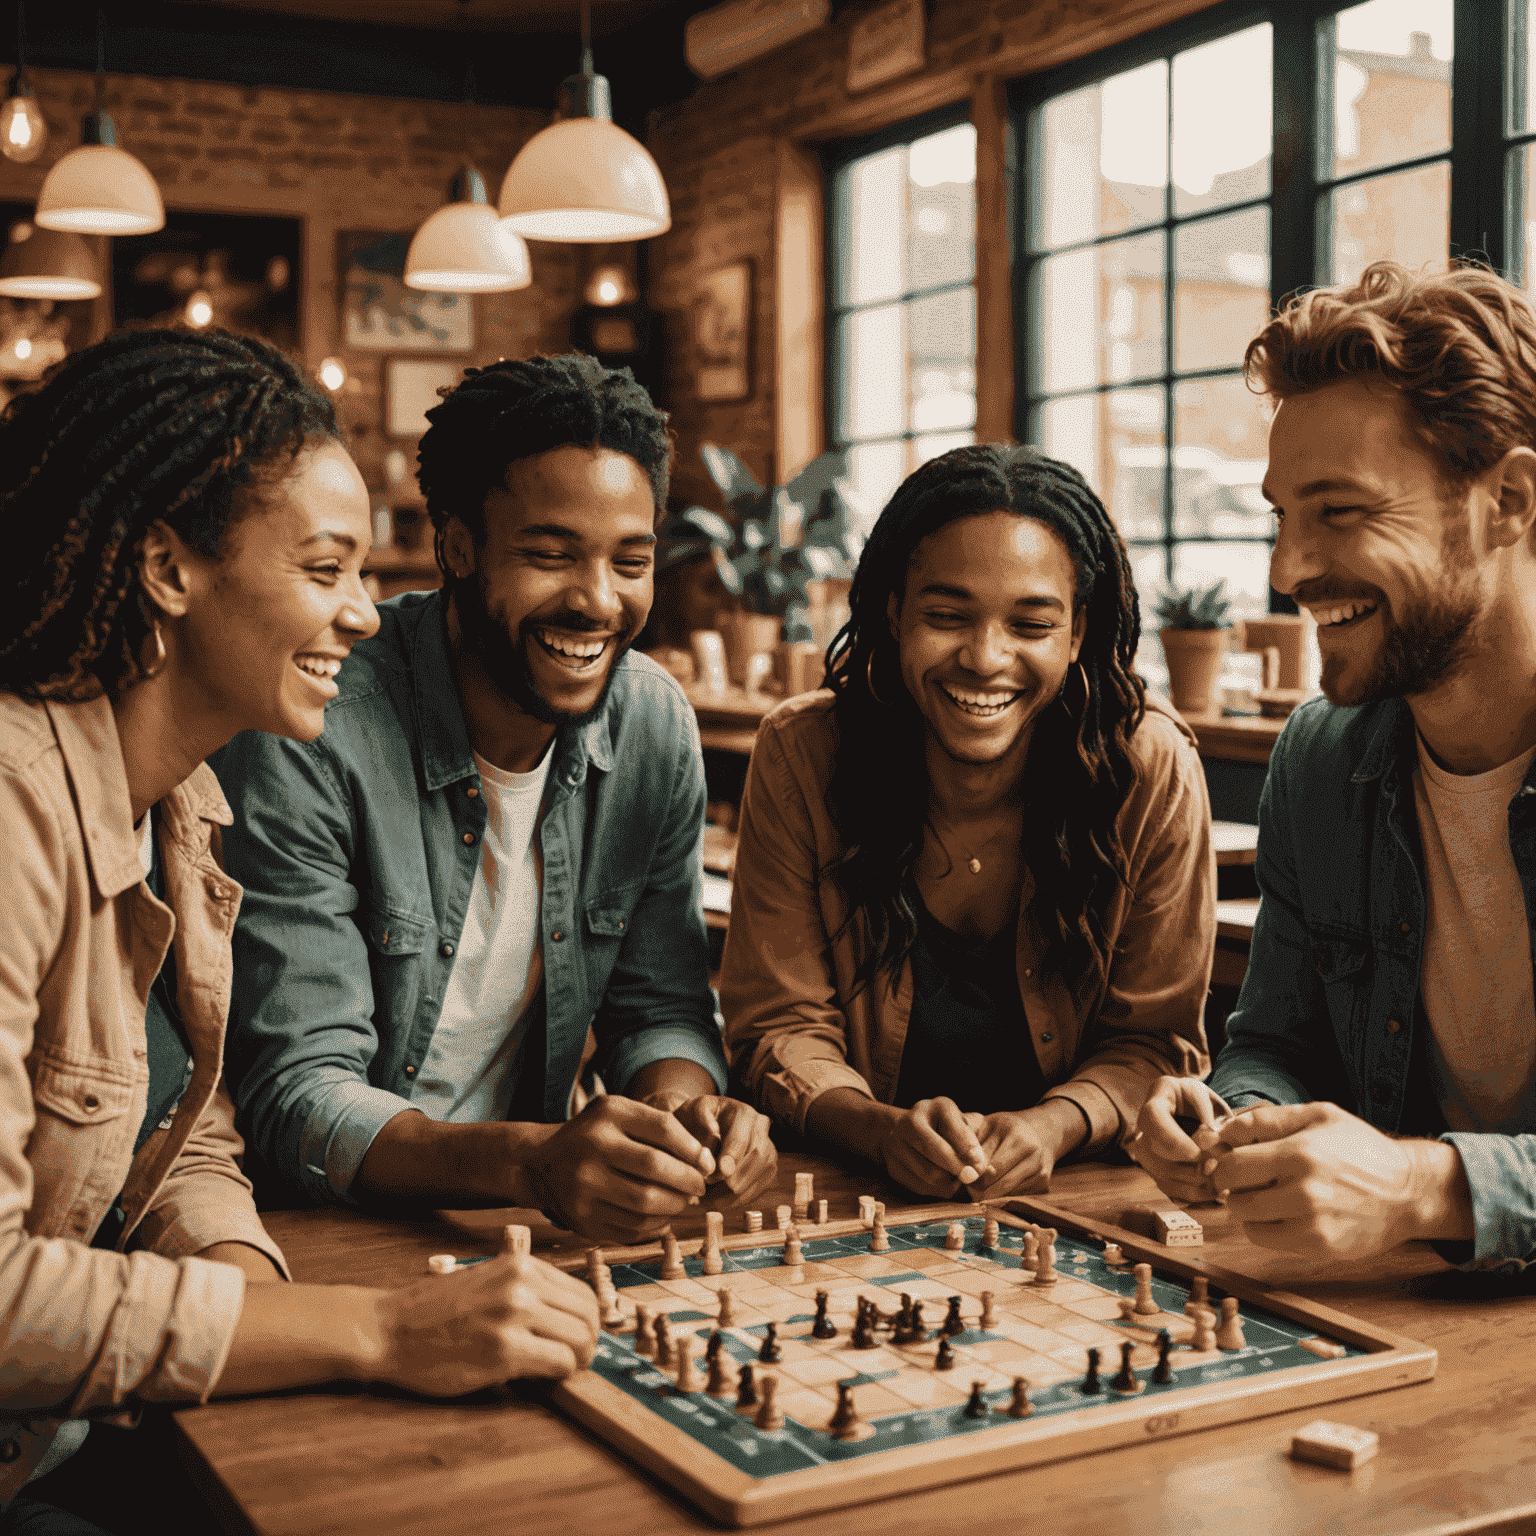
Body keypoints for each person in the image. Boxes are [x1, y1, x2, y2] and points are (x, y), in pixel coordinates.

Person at [0, 330, 601, 1536]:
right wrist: (377, 1329)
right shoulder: (14, 804)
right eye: (327, 570)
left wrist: (242, 1287)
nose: (369, 618)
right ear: (168, 569)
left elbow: (186, 1141)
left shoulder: (184, 803)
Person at [210, 353, 775, 1243]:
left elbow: (660, 1008)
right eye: (550, 556)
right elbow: (298, 1095)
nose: (597, 600)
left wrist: (684, 1116)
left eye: (630, 560)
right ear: (458, 543)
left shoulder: (652, 725)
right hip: (320, 1227)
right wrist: (532, 1163)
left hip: (532, 1228)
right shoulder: (314, 722)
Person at [1134, 260, 1536, 1269]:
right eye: (1281, 514)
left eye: (1340, 511)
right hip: (1412, 1325)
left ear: (1510, 499)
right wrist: (1238, 1122)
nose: (1286, 568)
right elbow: (1277, 1038)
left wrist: (1422, 1187)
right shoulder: (1319, 757)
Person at [721, 443, 1215, 1200]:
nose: (986, 657)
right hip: (848, 1194)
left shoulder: (1147, 770)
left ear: (1078, 633)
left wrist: (1053, 1125)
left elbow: (1154, 1041)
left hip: (1082, 1203)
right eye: (947, 616)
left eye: (1031, 625)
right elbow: (779, 1027)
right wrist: (877, 1129)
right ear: (894, 612)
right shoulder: (804, 754)